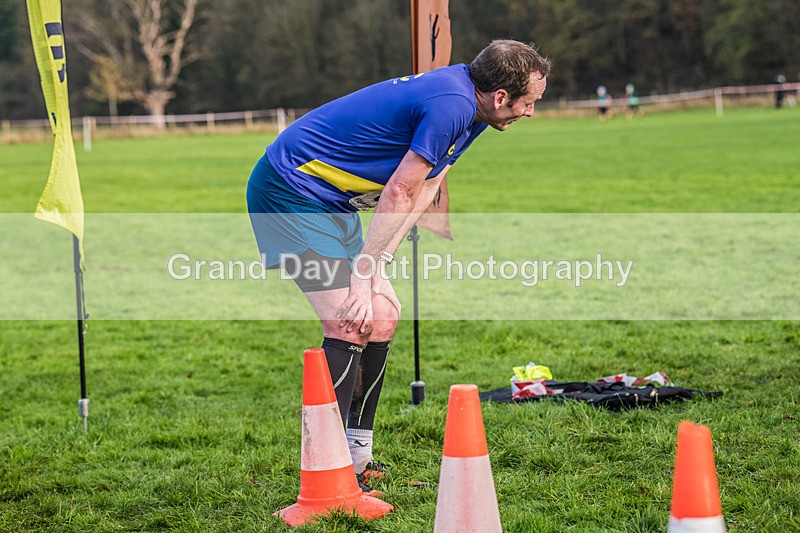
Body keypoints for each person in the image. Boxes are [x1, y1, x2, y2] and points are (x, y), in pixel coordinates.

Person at [246, 39, 551, 492]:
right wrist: (364, 274)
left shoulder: (477, 110)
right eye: (529, 102)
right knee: (349, 321)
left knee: (383, 316)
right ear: (502, 96)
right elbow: (398, 192)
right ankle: (328, 472)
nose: (530, 112)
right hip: (287, 194)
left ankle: (356, 459)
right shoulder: (451, 105)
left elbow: (428, 185)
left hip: (333, 204)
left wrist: (378, 263)